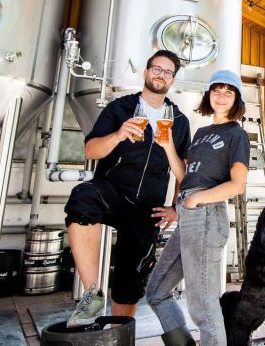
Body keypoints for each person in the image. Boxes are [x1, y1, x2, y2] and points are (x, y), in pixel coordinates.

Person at [146, 69, 251, 346]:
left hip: (206, 216)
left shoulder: (237, 135)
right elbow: (184, 175)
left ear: (236, 99)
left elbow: (237, 185)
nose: (221, 95)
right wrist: (166, 148)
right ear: (209, 95)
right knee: (157, 290)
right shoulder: (202, 131)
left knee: (204, 308)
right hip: (188, 215)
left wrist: (198, 200)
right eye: (216, 89)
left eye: (229, 91)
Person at [63, 50, 191, 327]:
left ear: (173, 81)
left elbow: (184, 167)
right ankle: (92, 293)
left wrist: (175, 207)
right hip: (113, 191)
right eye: (156, 69)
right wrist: (119, 133)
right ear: (145, 73)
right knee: (83, 199)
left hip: (149, 203)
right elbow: (91, 149)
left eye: (168, 72)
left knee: (130, 278)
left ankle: (120, 340)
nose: (161, 75)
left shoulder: (179, 121)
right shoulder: (119, 108)